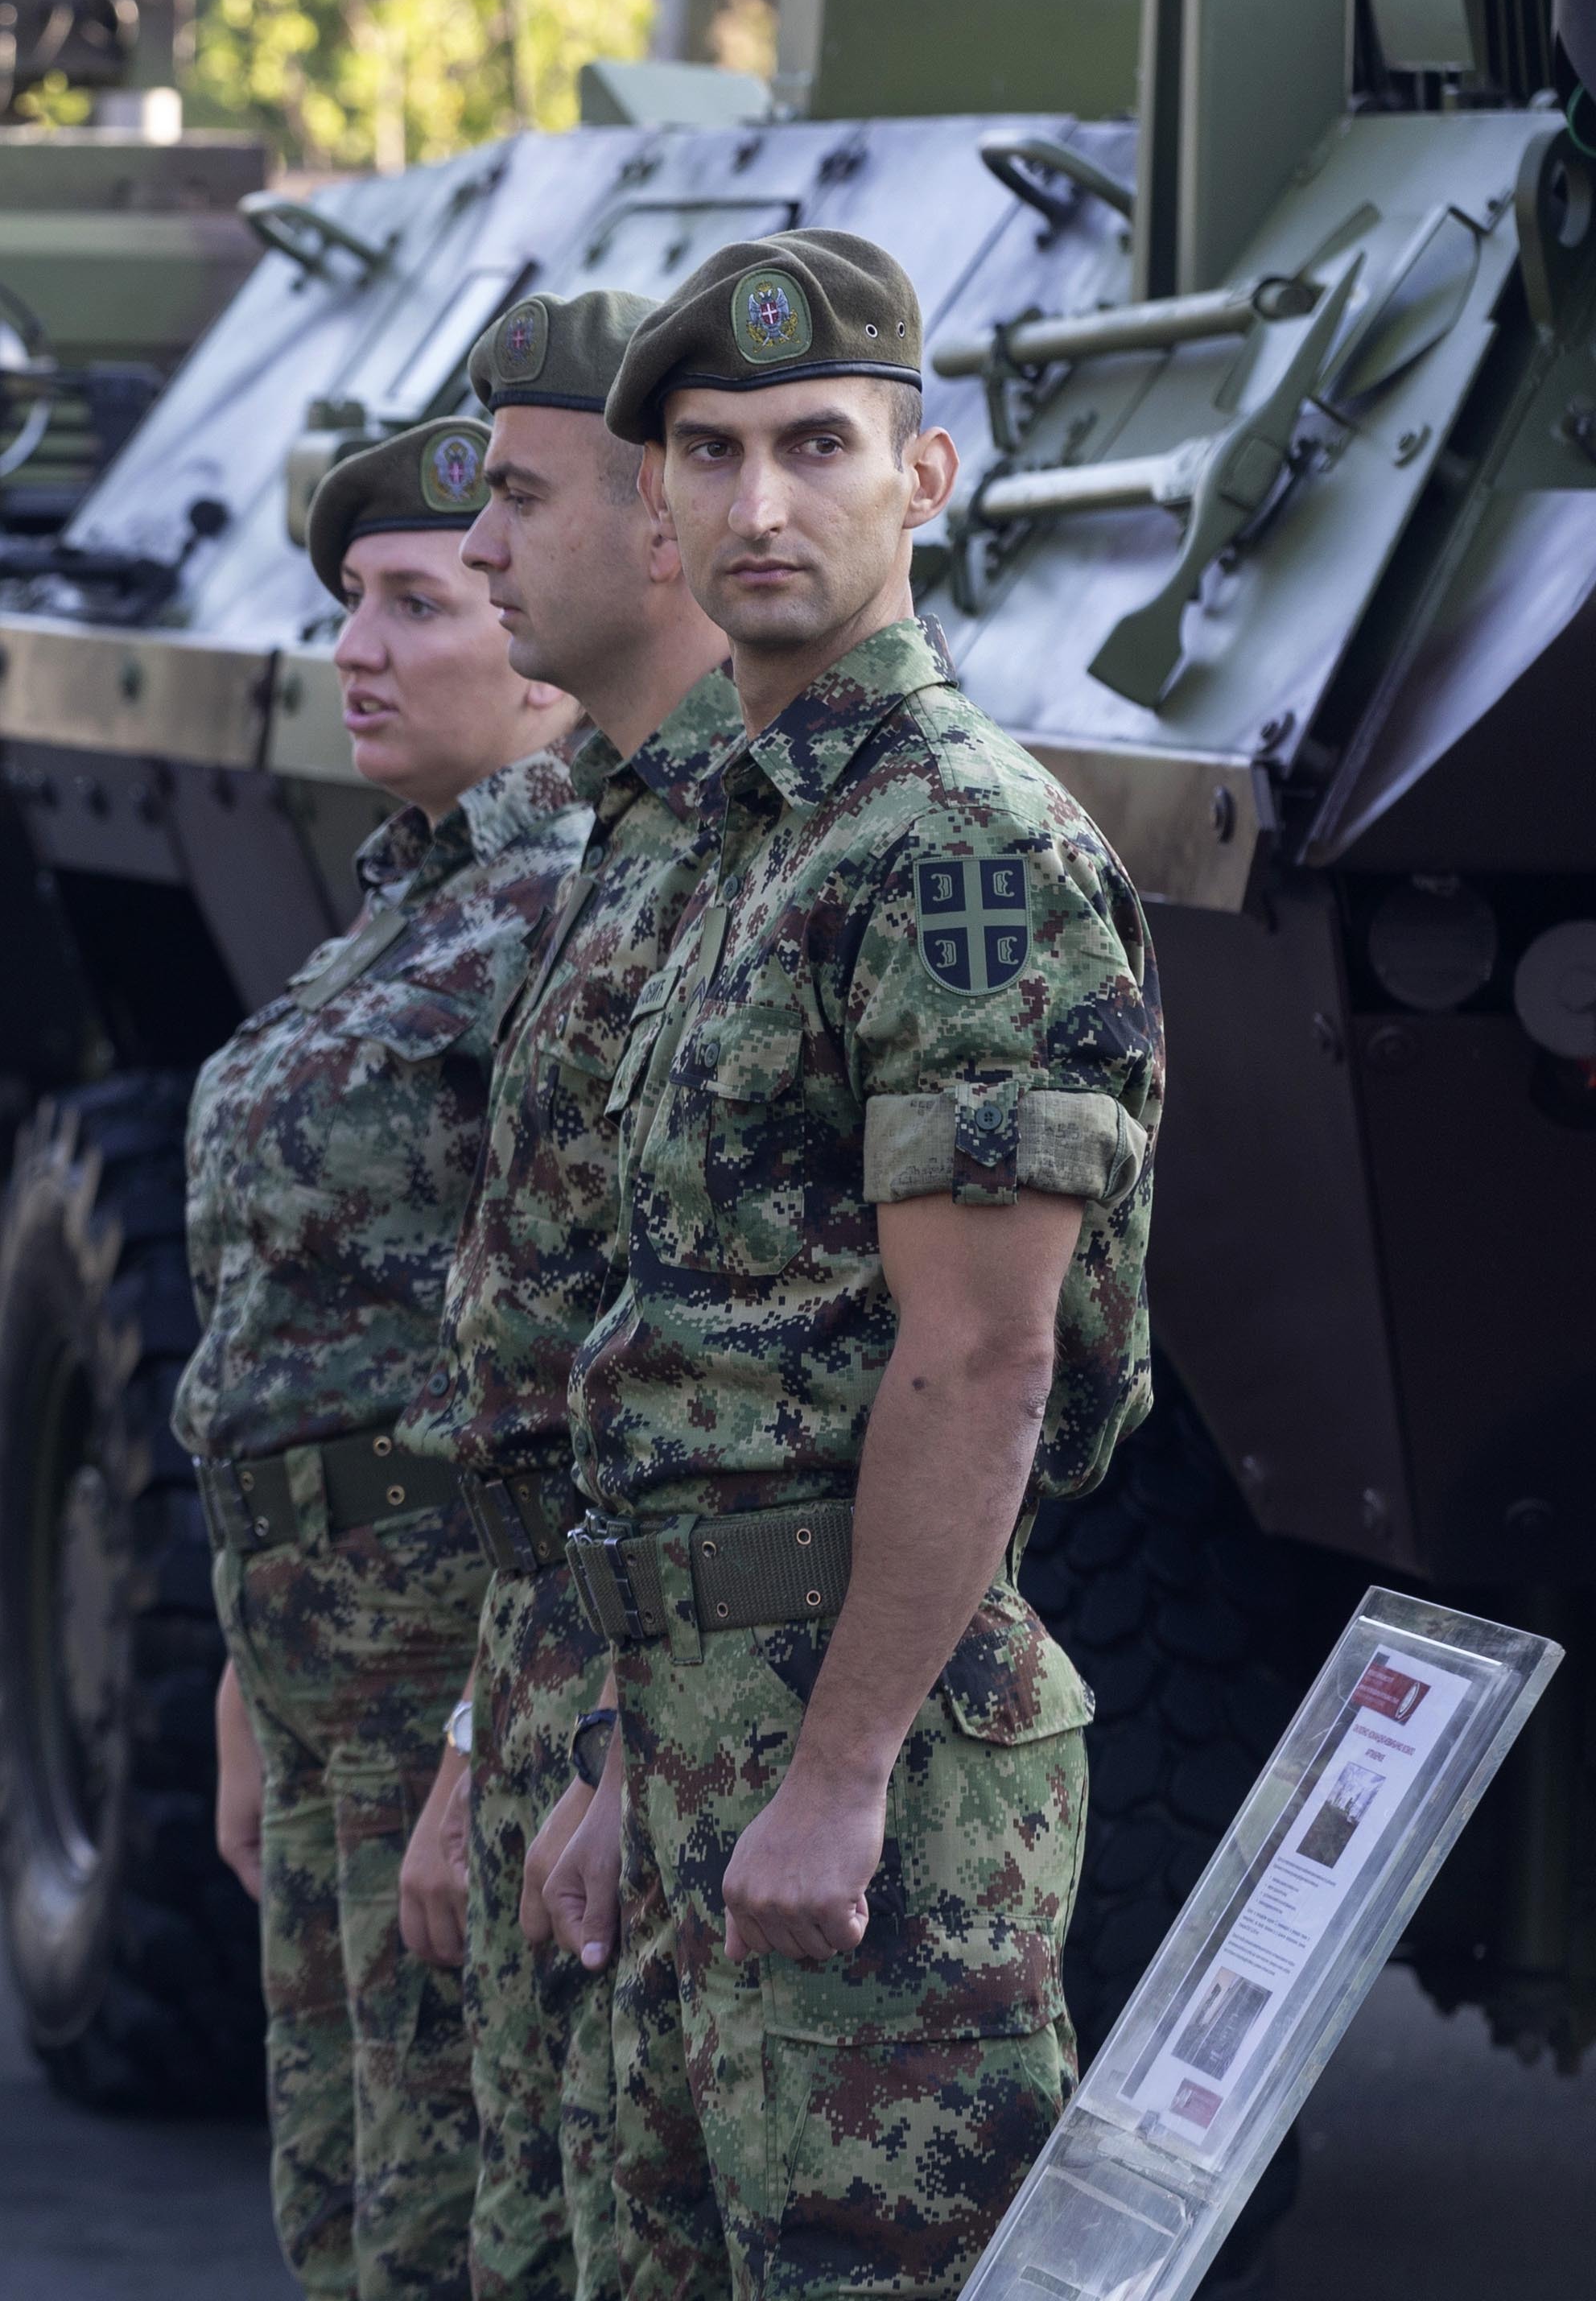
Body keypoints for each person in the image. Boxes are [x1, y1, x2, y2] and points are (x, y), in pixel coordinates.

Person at [543, 231, 1161, 2301]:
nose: (754, 502)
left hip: (865, 1751)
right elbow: (685, 1353)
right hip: (693, 1714)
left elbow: (979, 1359)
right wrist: (637, 1758)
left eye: (815, 443)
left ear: (926, 476)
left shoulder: (956, 844)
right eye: (704, 453)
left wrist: (833, 1773)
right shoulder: (730, 834)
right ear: (653, 504)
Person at [188, 415, 585, 2301]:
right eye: (347, 600)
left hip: (451, 1652)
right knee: (343, 2203)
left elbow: (578, 1364)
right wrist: (237, 1666)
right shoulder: (415, 893)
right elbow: (293, 1321)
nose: (353, 644)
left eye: (413, 602)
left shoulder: (567, 908)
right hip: (319, 1647)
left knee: (450, 2217)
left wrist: (472, 1743)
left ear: (532, 643)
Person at [400, 287, 726, 2301]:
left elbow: (796, 1370)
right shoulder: (608, 839)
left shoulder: (752, 850)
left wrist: (613, 1750)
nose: (484, 544)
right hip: (551, 1680)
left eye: (515, 497)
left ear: (659, 529)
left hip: (680, 1715)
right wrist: (479, 1735)